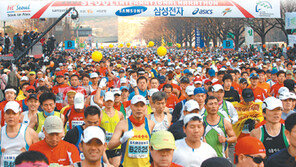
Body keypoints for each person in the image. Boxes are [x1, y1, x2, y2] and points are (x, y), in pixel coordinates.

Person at [108, 95, 155, 167]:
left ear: (145, 107)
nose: (139, 109)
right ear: (131, 107)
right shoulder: (122, 124)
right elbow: (110, 145)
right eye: (136, 106)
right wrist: (121, 140)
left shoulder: (151, 124)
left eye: (141, 106)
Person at [1, 101, 38, 167]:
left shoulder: (30, 133)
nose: (11, 116)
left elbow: (38, 159)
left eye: (14, 113)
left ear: (20, 115)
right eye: (8, 113)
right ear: (4, 115)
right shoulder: (1, 132)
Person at [100, 91, 124, 167]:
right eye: (107, 101)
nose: (109, 103)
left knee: (116, 165)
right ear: (104, 101)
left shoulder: (119, 114)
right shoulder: (100, 114)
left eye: (111, 101)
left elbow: (123, 128)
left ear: (113, 101)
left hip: (116, 145)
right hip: (104, 145)